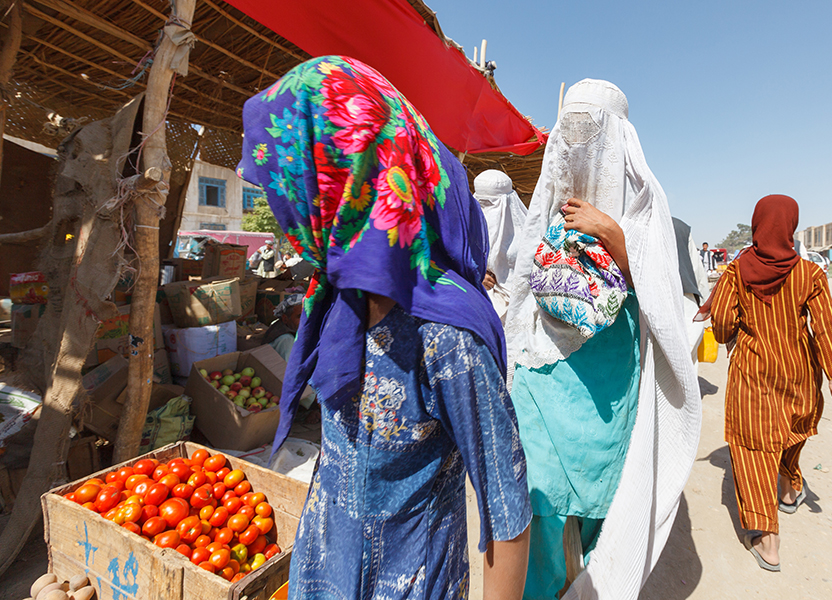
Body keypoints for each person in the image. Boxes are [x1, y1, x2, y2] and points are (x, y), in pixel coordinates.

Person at [238, 55, 531, 600]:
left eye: (291, 185)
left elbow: (507, 510)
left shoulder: (444, 334)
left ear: (340, 184)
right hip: (324, 571)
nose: (284, 208)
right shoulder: (336, 300)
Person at [504, 79, 701, 599]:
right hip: (542, 379)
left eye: (590, 133)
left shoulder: (646, 212)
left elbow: (664, 299)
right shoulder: (548, 203)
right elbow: (523, 285)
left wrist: (613, 234)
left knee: (600, 510)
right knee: (537, 503)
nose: (577, 146)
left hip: (607, 394)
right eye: (568, 133)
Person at [706, 194, 832, 572]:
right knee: (791, 428)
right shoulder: (810, 273)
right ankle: (789, 490)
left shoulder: (736, 272)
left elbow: (722, 326)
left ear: (758, 225)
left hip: (753, 375)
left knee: (754, 448)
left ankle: (768, 542)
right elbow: (825, 329)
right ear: (790, 226)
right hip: (801, 374)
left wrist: (735, 332)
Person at [473, 169, 528, 324]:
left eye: (492, 203)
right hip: (483, 310)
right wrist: (475, 277)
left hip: (523, 310)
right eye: (482, 203)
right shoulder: (466, 231)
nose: (487, 209)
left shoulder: (529, 233)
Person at [672, 217, 709, 363]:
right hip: (686, 302)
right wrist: (705, 306)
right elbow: (698, 272)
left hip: (648, 304)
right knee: (686, 366)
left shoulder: (633, 222)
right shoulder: (679, 226)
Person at [263, 294, 303, 361]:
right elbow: (288, 369)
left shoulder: (277, 325)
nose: (305, 320)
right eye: (299, 316)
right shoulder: (286, 340)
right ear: (285, 319)